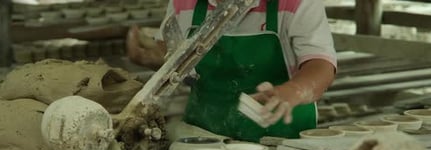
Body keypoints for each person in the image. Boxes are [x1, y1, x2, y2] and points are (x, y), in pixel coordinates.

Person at [127, 0, 336, 142]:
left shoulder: (297, 2)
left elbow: (321, 64)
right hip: (202, 139)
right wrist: (149, 58)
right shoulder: (185, 2)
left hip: (282, 143)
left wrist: (294, 90)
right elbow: (174, 54)